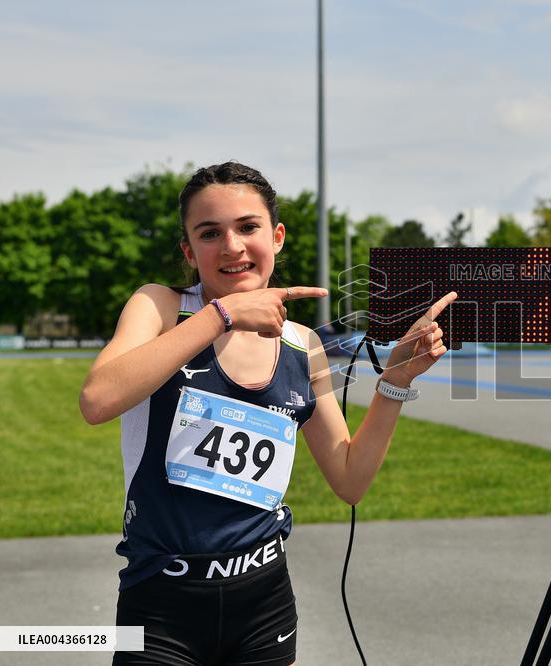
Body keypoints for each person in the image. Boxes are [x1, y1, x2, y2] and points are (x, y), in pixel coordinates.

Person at [79, 161, 456, 665]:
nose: (232, 246)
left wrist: (394, 384)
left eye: (248, 227)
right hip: (161, 606)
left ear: (276, 237)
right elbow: (97, 400)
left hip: (263, 605)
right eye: (210, 233)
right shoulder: (161, 307)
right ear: (189, 252)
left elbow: (349, 478)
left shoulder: (304, 346)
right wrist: (224, 313)